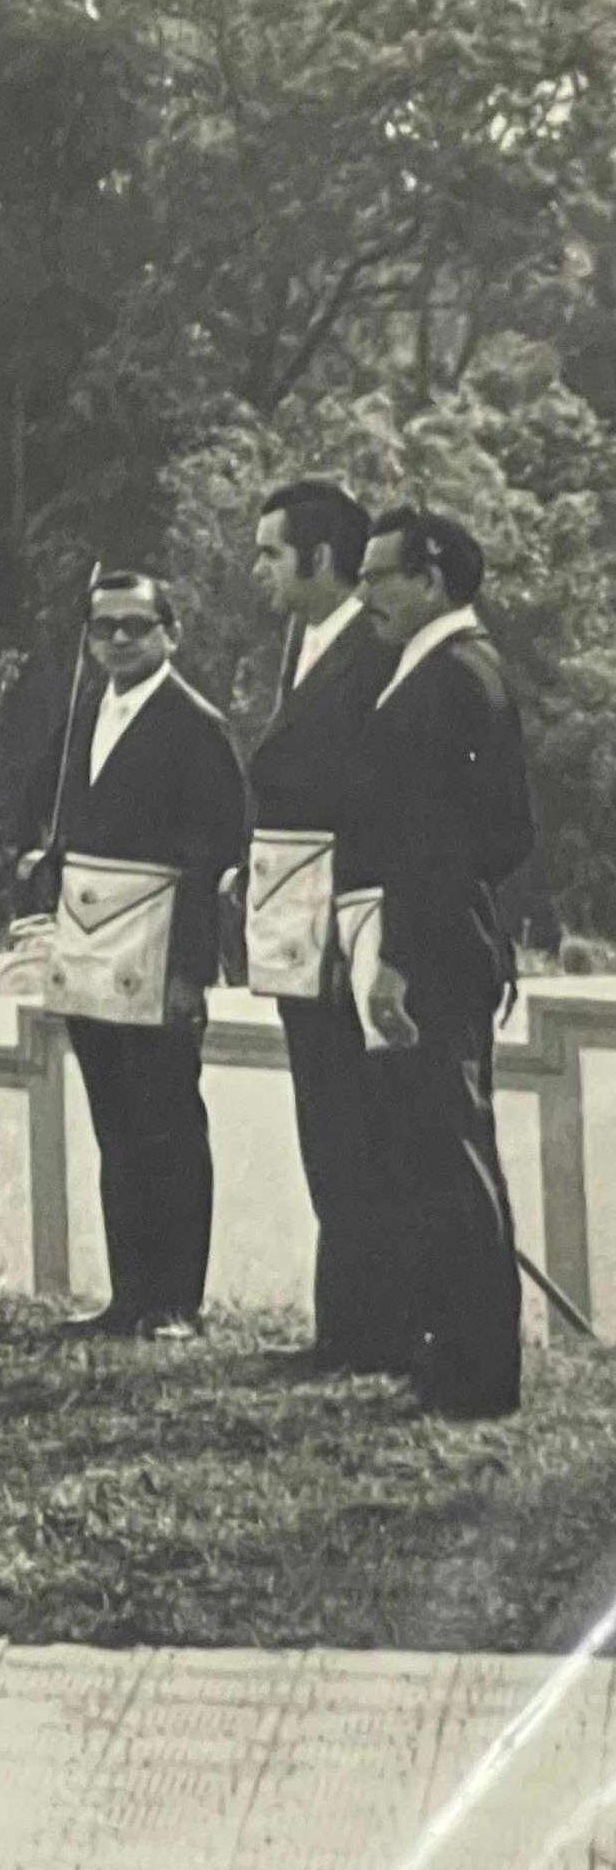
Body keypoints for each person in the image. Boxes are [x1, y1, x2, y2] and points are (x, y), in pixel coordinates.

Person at [339, 505, 537, 1420]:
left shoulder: (454, 676)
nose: (364, 592)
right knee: (433, 1152)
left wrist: (398, 963)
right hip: (443, 935)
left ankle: (476, 1374)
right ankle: (452, 1355)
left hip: (437, 948)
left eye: (379, 576)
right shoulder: (442, 668)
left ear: (429, 578)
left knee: (452, 1154)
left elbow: (457, 842)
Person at [13, 572, 248, 1338]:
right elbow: (56, 822)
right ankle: (128, 1296)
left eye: (135, 626)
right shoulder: (83, 715)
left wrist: (188, 972)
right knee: (114, 1124)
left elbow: (214, 855)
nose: (118, 639)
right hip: (89, 950)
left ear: (170, 634)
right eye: (103, 627)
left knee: (168, 1125)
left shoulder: (195, 724)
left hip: (157, 957)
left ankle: (176, 1301)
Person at [242, 481, 403, 1374]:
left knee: (356, 1128)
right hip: (297, 925)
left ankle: (367, 1331)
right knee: (328, 1125)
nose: (258, 568)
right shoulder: (301, 645)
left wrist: (355, 931)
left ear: (322, 560)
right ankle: (345, 1326)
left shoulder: (371, 658)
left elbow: (373, 805)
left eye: (271, 552)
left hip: (343, 928)